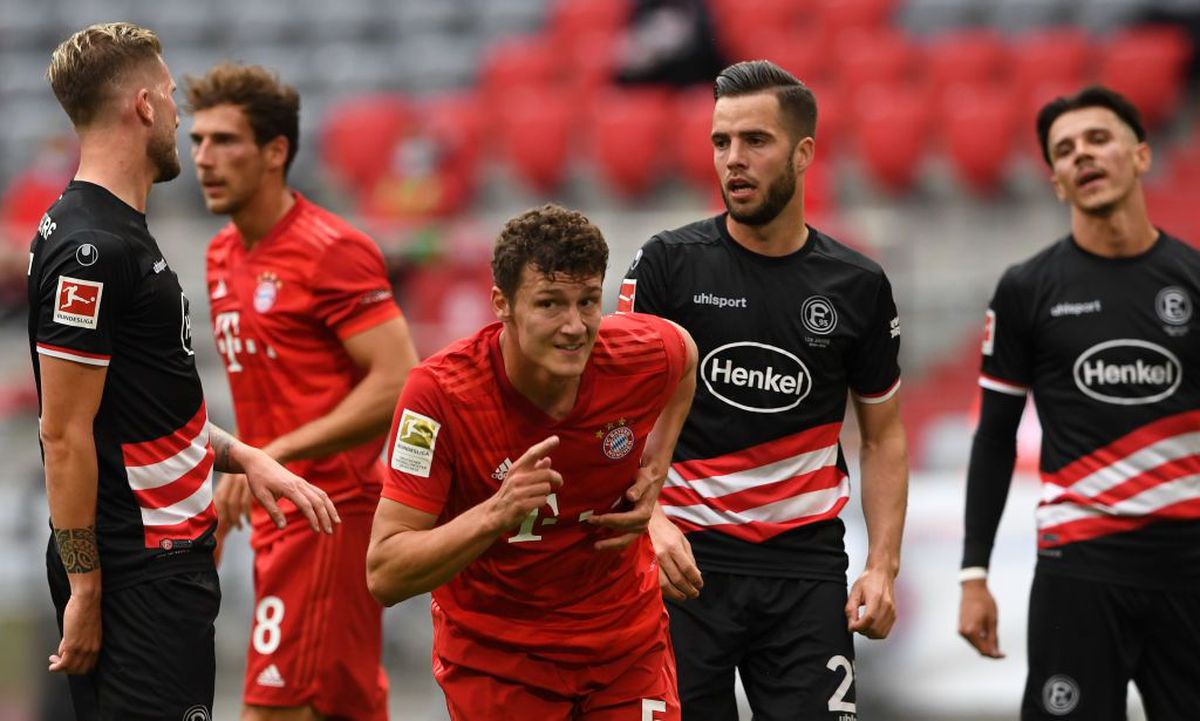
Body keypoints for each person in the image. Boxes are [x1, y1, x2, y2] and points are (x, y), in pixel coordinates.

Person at [28, 23, 338, 721]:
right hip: (137, 570)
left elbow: (141, 412)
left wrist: (245, 456)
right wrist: (86, 585)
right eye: (170, 96)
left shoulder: (109, 229)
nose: (178, 113)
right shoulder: (92, 248)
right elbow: (64, 431)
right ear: (141, 106)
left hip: (159, 564)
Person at [619, 60, 909, 720]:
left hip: (805, 570)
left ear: (804, 152)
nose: (734, 159)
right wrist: (652, 522)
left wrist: (882, 565)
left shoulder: (856, 285)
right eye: (721, 142)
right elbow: (611, 414)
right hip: (682, 564)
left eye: (756, 140)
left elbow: (885, 435)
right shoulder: (667, 264)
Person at [366, 204, 699, 720]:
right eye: (550, 304)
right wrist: (496, 513)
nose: (574, 327)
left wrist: (653, 477)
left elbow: (685, 355)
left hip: (625, 649)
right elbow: (385, 572)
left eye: (588, 302)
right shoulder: (437, 395)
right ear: (502, 303)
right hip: (499, 659)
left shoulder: (639, 354)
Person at [185, 61, 419, 721]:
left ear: (275, 151)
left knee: (271, 707)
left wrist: (271, 454)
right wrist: (253, 467)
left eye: (225, 141)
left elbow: (398, 378)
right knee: (348, 706)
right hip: (279, 510)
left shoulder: (331, 249)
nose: (204, 157)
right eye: (198, 140)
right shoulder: (221, 253)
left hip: (327, 511)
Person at [958, 86, 1200, 720]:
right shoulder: (1026, 290)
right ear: (1057, 182)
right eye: (1064, 151)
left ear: (1142, 155)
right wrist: (972, 574)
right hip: (1080, 569)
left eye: (1098, 139)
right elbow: (994, 437)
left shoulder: (1194, 281)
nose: (1082, 156)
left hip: (1189, 566)